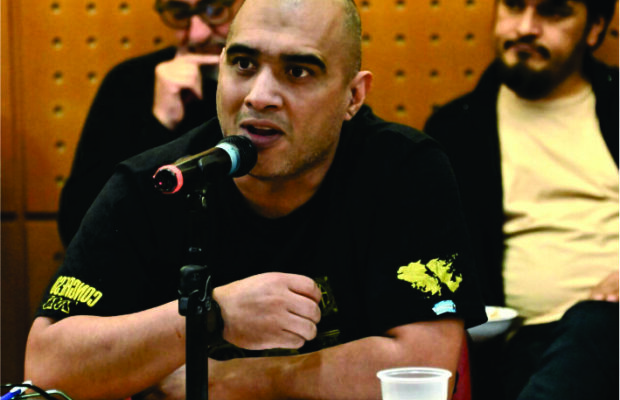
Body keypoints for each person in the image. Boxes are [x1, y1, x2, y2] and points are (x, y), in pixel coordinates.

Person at [25, 0, 486, 399]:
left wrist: (222, 381)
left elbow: (426, 369)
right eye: (243, 64)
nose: (259, 96)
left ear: (353, 96)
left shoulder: (404, 169)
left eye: (298, 71)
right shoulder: (159, 180)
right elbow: (47, 366)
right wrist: (211, 316)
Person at [424, 0, 619, 399]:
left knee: (595, 324)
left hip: (609, 326)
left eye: (552, 11)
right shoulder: (455, 130)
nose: (526, 27)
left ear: (596, 28)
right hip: (520, 350)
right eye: (514, 6)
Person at [57, 0, 245, 248]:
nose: (197, 34)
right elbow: (77, 225)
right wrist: (159, 123)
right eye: (180, 12)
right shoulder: (129, 82)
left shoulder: (273, 91)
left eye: (215, 9)